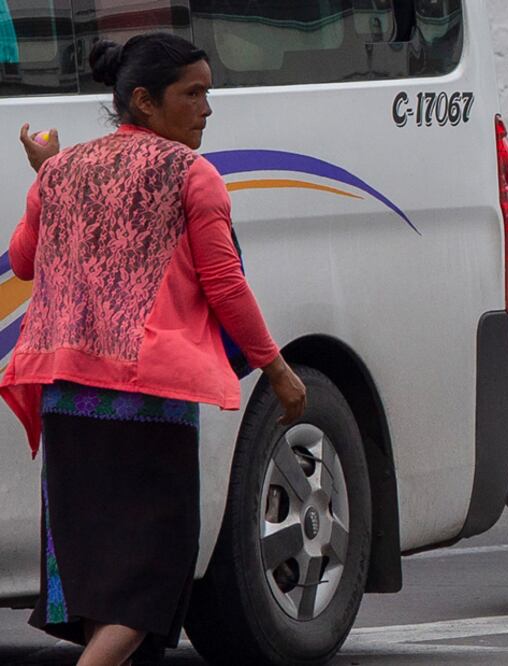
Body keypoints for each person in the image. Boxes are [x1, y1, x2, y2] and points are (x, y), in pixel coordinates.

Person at [1, 33, 307, 666]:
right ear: (143, 100)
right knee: (149, 579)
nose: (206, 108)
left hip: (67, 398)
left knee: (95, 577)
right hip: (148, 401)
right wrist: (276, 370)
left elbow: (25, 260)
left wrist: (47, 176)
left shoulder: (61, 171)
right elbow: (225, 283)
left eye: (207, 93)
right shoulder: (194, 175)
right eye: (192, 94)